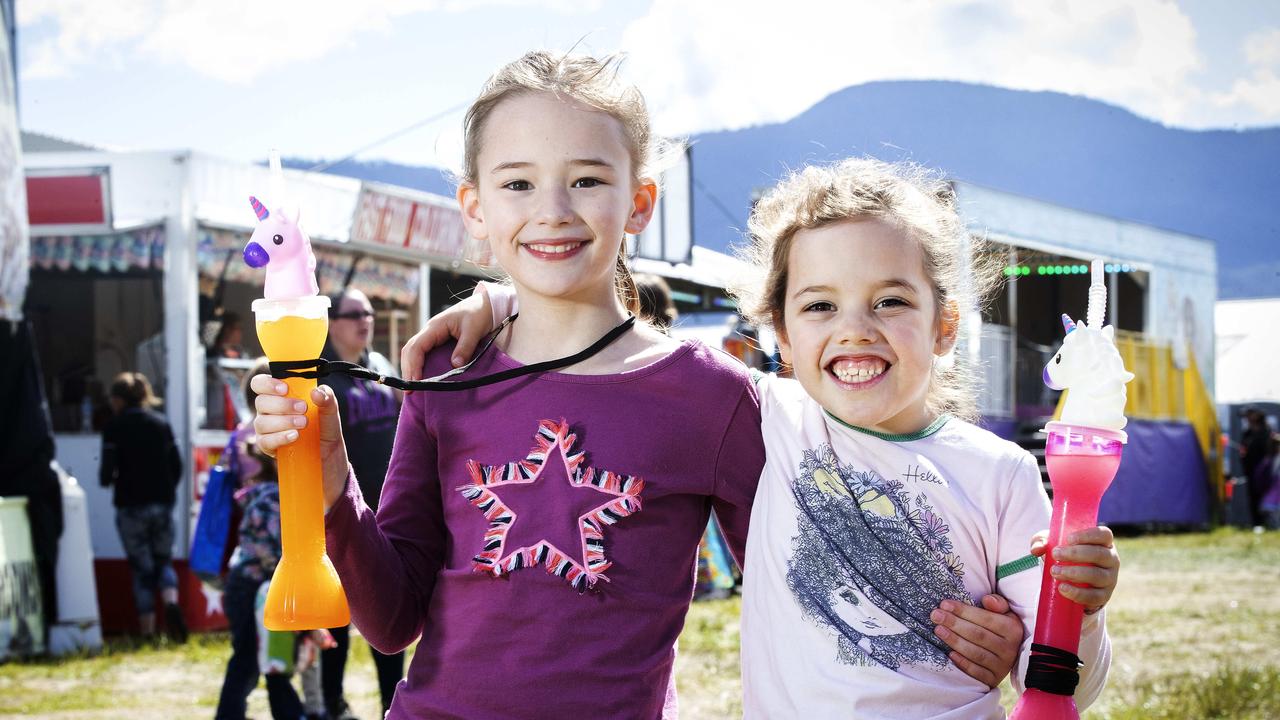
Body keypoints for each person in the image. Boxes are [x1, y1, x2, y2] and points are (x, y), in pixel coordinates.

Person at [255, 51, 1024, 718]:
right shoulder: (446, 381)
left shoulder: (717, 400)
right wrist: (330, 490)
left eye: (587, 180)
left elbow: (814, 586)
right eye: (517, 185)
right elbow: (391, 620)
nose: (552, 211)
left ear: (639, 202)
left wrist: (967, 627)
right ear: (475, 209)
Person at [413, 159, 1122, 717]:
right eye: (820, 305)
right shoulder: (759, 414)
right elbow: (626, 350)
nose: (855, 327)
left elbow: (1061, 686)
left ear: (944, 324)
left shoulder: (1002, 474)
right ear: (779, 333)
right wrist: (507, 300)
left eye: (891, 300)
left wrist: (1078, 616)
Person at [318, 288, 404, 720]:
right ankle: (334, 703)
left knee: (388, 612)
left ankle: (393, 705)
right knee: (337, 616)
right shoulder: (323, 377)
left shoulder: (381, 366)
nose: (365, 320)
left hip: (386, 512)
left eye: (370, 312)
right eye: (354, 314)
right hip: (341, 517)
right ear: (332, 323)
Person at [215, 360, 314, 720]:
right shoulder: (273, 497)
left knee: (264, 659)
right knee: (264, 660)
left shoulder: (240, 440)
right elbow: (279, 550)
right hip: (260, 583)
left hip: (251, 576)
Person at [99, 371, 186, 642]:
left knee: (141, 568)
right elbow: (177, 466)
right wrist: (167, 490)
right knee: (163, 561)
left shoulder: (114, 428)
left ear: (118, 400)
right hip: (161, 502)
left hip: (130, 505)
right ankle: (171, 601)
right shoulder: (161, 423)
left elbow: (106, 472)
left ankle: (147, 631)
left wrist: (111, 479)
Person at [1241, 408, 1272, 526]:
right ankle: (1257, 523)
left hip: (1265, 471)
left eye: (1250, 415)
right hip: (1251, 471)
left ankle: (1268, 522)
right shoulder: (1247, 433)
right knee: (1253, 497)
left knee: (1266, 496)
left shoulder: (1267, 431)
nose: (1248, 418)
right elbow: (1244, 450)